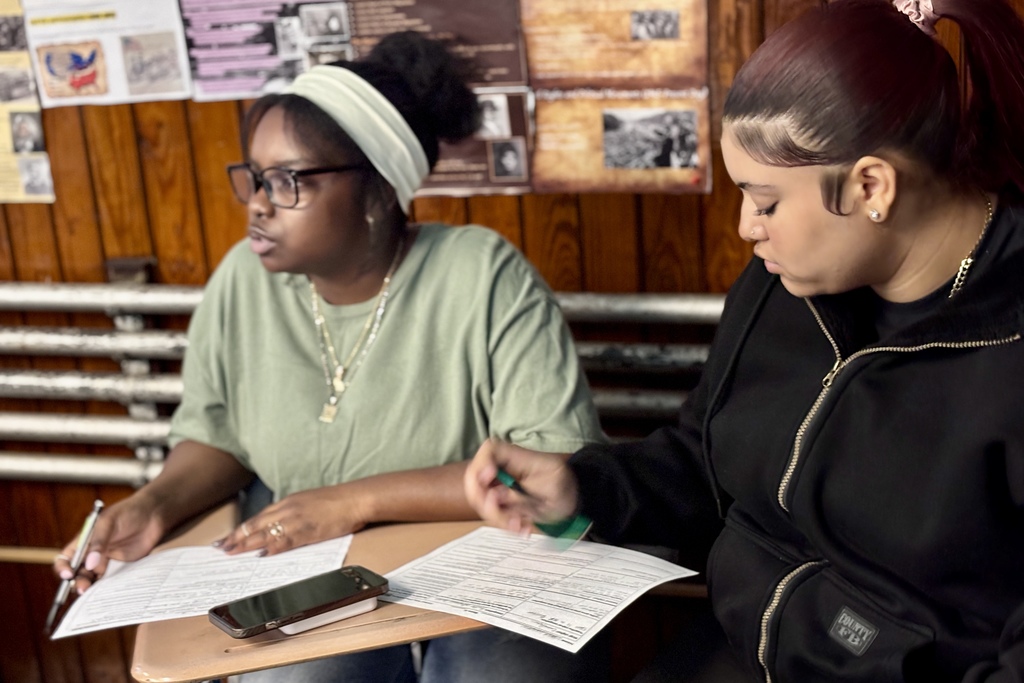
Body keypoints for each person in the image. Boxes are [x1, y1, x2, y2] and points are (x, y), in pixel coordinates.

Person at [466, 0, 1024, 681]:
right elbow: (707, 462)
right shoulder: (781, 284)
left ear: (871, 185)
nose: (745, 229)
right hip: (738, 652)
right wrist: (581, 487)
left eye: (765, 203)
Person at [55, 30, 608, 682]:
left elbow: (556, 467)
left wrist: (351, 500)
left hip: (489, 555)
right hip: (314, 565)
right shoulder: (241, 280)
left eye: (289, 180)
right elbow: (219, 437)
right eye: (255, 178)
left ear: (376, 191)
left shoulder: (483, 274)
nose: (258, 203)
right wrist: (154, 504)